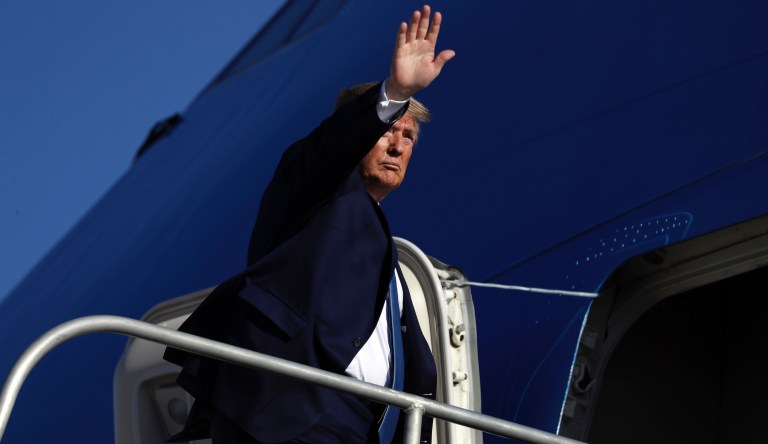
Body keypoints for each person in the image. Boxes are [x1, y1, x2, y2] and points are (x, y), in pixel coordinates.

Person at [164, 5, 455, 443]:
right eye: (388, 130)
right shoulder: (315, 187)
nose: (397, 146)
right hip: (292, 406)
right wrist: (393, 92)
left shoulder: (386, 256)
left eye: (408, 137)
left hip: (357, 427)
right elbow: (331, 147)